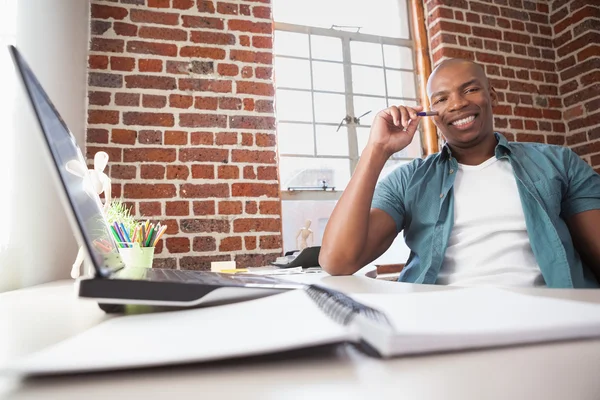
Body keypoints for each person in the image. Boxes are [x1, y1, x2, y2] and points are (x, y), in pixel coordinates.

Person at [319, 58, 600, 288]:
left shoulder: (558, 163)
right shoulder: (409, 181)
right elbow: (338, 260)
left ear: (493, 97)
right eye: (441, 99)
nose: (456, 104)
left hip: (552, 319)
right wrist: (376, 150)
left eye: (469, 90)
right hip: (442, 323)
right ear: (430, 114)